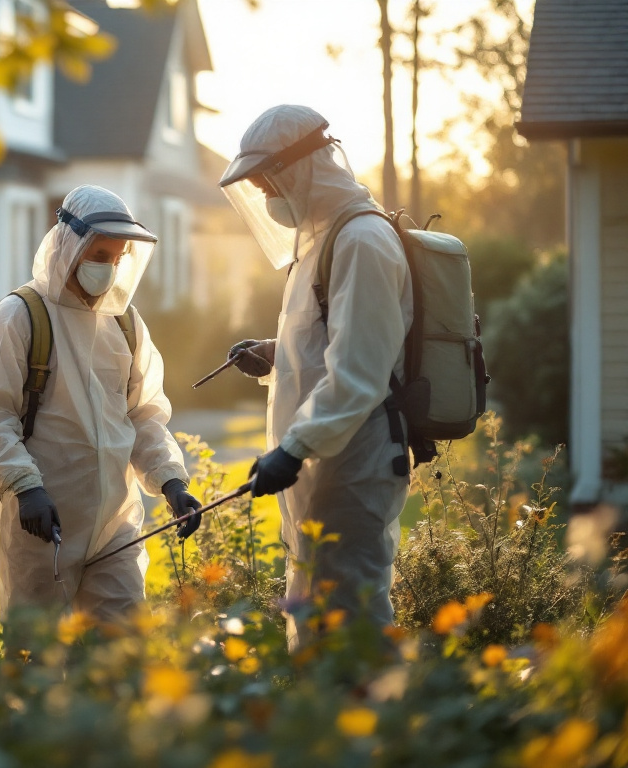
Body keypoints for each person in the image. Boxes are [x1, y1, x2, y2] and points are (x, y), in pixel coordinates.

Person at [0, 185, 199, 654]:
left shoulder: (125, 324)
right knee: (36, 660)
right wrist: (24, 486)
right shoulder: (20, 316)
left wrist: (171, 481)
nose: (108, 267)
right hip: (41, 525)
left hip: (115, 525)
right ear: (68, 246)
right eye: (99, 255)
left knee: (120, 656)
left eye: (117, 256)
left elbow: (144, 414)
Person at [218, 105, 412, 648]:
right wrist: (274, 354)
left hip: (355, 462)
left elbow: (360, 371)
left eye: (267, 184)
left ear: (299, 169)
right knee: (316, 618)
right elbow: (328, 343)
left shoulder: (361, 240)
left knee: (351, 622)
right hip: (327, 466)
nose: (266, 199)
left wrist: (293, 448)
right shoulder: (322, 242)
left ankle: (375, 707)